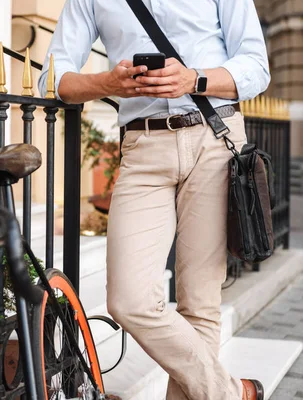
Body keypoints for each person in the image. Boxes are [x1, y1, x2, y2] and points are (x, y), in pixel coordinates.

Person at [39, 1, 270, 399]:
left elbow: (256, 67)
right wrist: (107, 84)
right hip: (143, 146)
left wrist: (194, 80)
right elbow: (53, 77)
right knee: (128, 300)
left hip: (214, 138)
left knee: (200, 303)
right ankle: (233, 393)